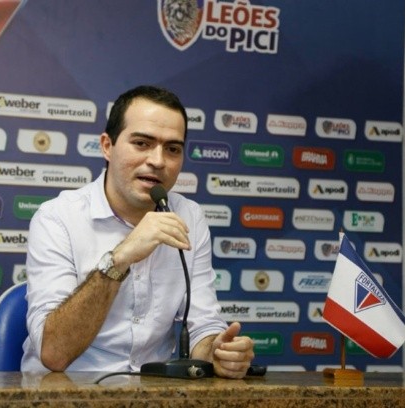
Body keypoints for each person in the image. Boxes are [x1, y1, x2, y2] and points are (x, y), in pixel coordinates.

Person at [21, 85, 254, 378]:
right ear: (107, 146)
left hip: (152, 390)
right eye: (142, 143)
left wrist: (217, 352)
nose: (158, 161)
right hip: (67, 391)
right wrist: (120, 258)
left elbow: (203, 325)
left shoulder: (190, 217)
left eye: (172, 149)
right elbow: (54, 352)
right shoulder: (58, 218)